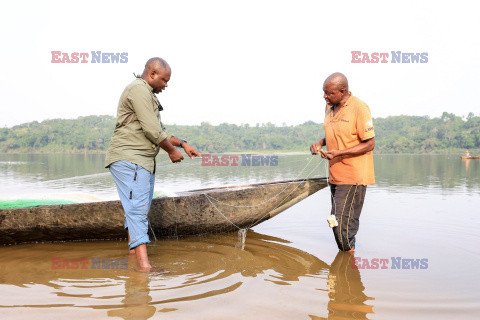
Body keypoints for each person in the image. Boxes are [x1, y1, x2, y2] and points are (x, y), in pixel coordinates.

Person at [105, 57, 199, 271]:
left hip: (142, 161)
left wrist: (183, 144)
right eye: (165, 80)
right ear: (152, 74)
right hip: (130, 158)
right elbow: (151, 130)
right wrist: (172, 151)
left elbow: (161, 131)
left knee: (137, 209)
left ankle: (132, 254)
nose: (166, 85)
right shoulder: (138, 89)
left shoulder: (147, 94)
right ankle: (144, 267)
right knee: (137, 210)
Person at [310, 73, 375, 252]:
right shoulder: (330, 107)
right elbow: (337, 131)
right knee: (337, 221)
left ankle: (347, 268)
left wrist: (339, 153)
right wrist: (319, 144)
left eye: (329, 93)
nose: (325, 97)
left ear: (342, 91)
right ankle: (347, 256)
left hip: (354, 175)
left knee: (340, 222)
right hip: (335, 175)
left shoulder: (359, 107)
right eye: (324, 93)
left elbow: (370, 143)